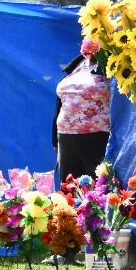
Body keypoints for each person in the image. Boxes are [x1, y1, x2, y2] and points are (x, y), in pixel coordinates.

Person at [55, 38, 111, 180]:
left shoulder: (111, 63)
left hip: (98, 138)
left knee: (97, 193)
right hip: (66, 138)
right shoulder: (77, 64)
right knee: (69, 193)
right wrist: (55, 141)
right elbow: (61, 103)